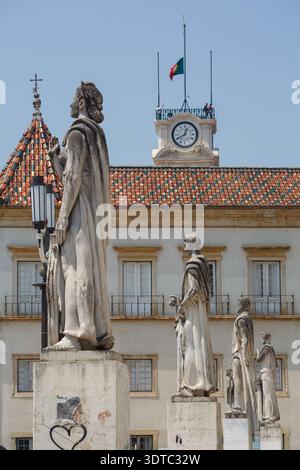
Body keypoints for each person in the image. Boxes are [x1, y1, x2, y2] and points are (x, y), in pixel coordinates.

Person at [47, 82, 114, 351]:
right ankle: (97, 330)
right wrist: (57, 160)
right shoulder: (97, 135)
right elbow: (76, 173)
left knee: (73, 270)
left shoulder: (76, 133)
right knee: (89, 270)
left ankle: (76, 333)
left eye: (73, 99)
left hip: (80, 209)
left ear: (82, 103)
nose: (70, 105)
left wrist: (62, 220)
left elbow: (73, 178)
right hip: (94, 211)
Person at [170, 236, 216, 397]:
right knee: (199, 345)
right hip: (199, 310)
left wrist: (181, 304)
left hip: (192, 312)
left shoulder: (192, 265)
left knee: (190, 346)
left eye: (186, 243)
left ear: (191, 244)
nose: (184, 247)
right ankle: (202, 385)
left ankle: (190, 385)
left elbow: (193, 289)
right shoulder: (203, 265)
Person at [231, 297, 257, 437]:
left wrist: (244, 355)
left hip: (239, 353)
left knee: (237, 379)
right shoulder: (248, 319)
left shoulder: (241, 320)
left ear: (242, 305)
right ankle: (238, 404)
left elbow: (245, 338)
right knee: (237, 380)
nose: (236, 305)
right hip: (243, 354)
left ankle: (238, 404)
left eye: (238, 303)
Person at [256, 332, 280, 424]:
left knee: (267, 396)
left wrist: (258, 354)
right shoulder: (270, 350)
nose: (260, 339)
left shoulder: (266, 349)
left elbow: (259, 359)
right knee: (268, 395)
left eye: (262, 337)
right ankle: (269, 416)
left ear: (265, 338)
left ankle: (269, 417)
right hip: (268, 374)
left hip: (265, 373)